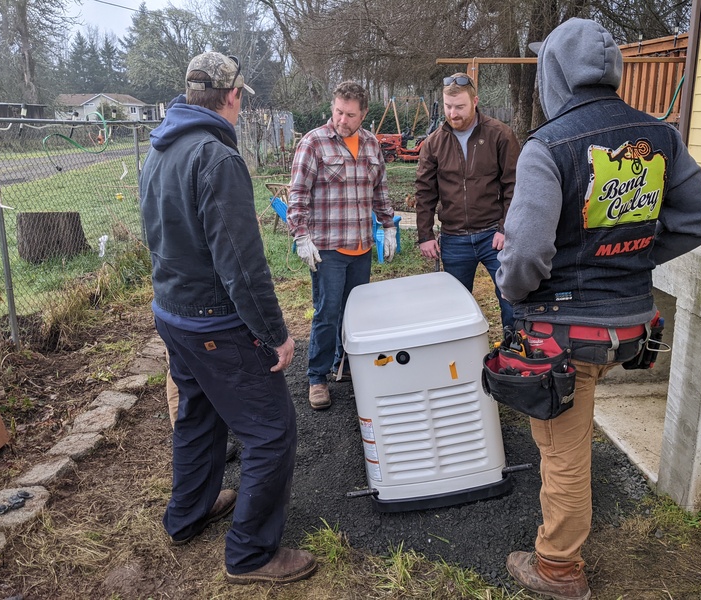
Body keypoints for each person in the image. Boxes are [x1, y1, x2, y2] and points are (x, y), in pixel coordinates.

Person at [496, 19, 701, 600]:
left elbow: (525, 252)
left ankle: (558, 569)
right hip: (629, 324)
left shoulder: (547, 146)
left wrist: (516, 294)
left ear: (555, 74)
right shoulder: (661, 136)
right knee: (576, 428)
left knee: (562, 451)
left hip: (568, 331)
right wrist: (635, 254)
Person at [139, 51, 316, 585]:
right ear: (233, 96)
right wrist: (275, 335)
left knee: (198, 415)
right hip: (213, 323)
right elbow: (241, 263)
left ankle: (187, 514)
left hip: (172, 313)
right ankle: (251, 553)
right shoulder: (215, 158)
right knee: (271, 432)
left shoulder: (161, 148)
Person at [287, 81, 395, 411]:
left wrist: (388, 225)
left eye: (350, 114)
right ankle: (317, 377)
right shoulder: (314, 143)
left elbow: (381, 190)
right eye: (337, 111)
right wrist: (300, 235)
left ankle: (344, 364)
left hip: (360, 246)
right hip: (329, 249)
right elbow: (297, 196)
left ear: (364, 114)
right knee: (327, 312)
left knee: (356, 314)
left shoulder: (371, 144)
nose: (341, 120)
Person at [415, 72, 520, 331]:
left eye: (460, 106)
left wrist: (506, 228)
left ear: (475, 101)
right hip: (453, 238)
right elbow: (425, 191)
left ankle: (515, 352)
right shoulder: (434, 143)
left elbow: (515, 184)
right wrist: (425, 235)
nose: (453, 113)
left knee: (513, 299)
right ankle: (458, 362)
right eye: (449, 107)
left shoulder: (500, 135)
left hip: (493, 236)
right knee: (454, 307)